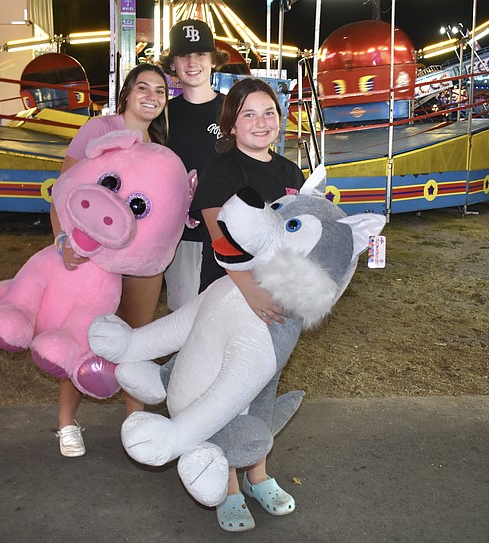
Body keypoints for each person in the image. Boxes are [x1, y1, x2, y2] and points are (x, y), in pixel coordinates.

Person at [190, 77, 304, 532]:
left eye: (268, 112)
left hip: (275, 301)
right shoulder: (221, 170)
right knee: (226, 391)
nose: (261, 122)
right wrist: (249, 290)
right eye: (248, 114)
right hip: (229, 295)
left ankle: (258, 474)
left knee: (263, 387)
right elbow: (219, 236)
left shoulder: (292, 173)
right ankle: (229, 486)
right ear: (232, 125)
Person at [49, 62, 169, 457]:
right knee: (83, 337)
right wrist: (63, 240)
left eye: (160, 91)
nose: (151, 96)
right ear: (127, 93)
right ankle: (67, 424)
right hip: (94, 258)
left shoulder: (160, 146)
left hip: (140, 265)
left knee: (136, 341)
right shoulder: (98, 129)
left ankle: (136, 424)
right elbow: (64, 189)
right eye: (143, 87)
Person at [159, 19, 229, 311]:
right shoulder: (162, 114)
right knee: (185, 316)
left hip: (229, 232)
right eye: (183, 55)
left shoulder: (233, 109)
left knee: (227, 315)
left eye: (200, 54)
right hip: (181, 236)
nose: (192, 62)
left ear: (213, 60)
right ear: (172, 63)